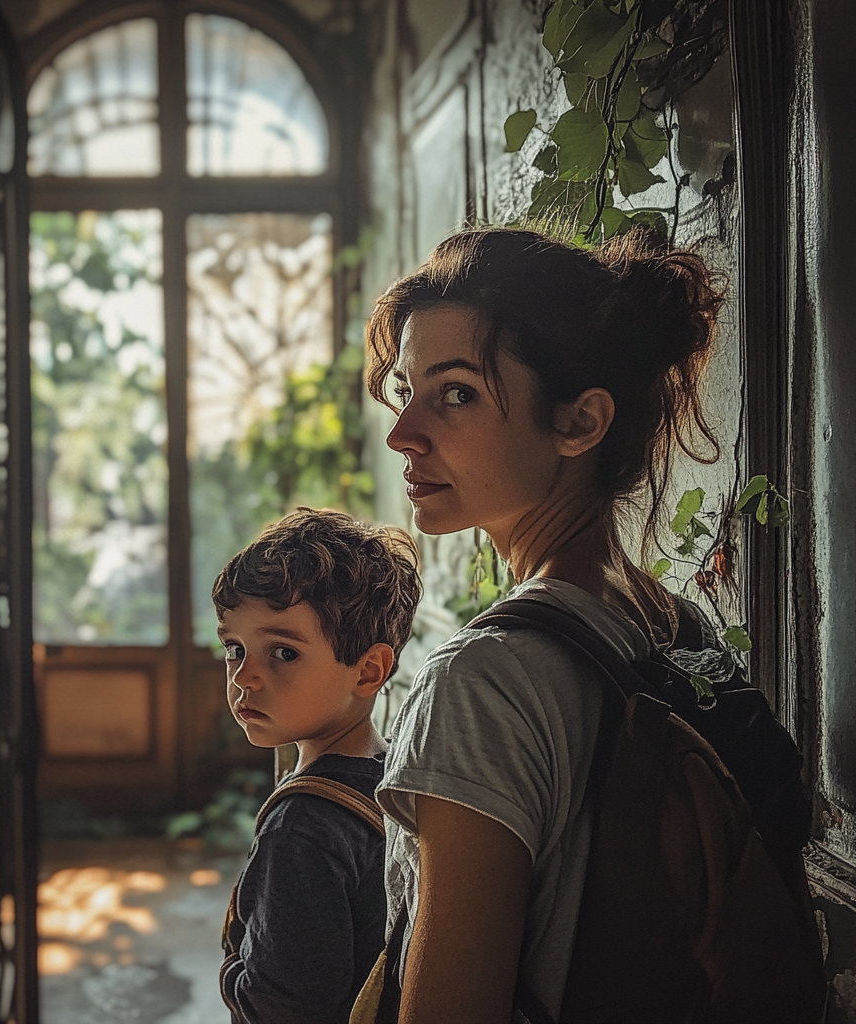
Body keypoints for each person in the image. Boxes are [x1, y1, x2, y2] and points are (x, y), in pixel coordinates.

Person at [366, 227, 726, 1024]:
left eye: (455, 393)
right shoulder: (680, 630)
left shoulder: (484, 685)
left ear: (579, 423)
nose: (403, 434)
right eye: (406, 390)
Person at [213, 508, 421, 1024]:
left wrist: (231, 969)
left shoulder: (301, 828)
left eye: (283, 652)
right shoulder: (395, 775)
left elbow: (283, 1008)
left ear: (368, 670)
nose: (245, 677)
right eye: (234, 648)